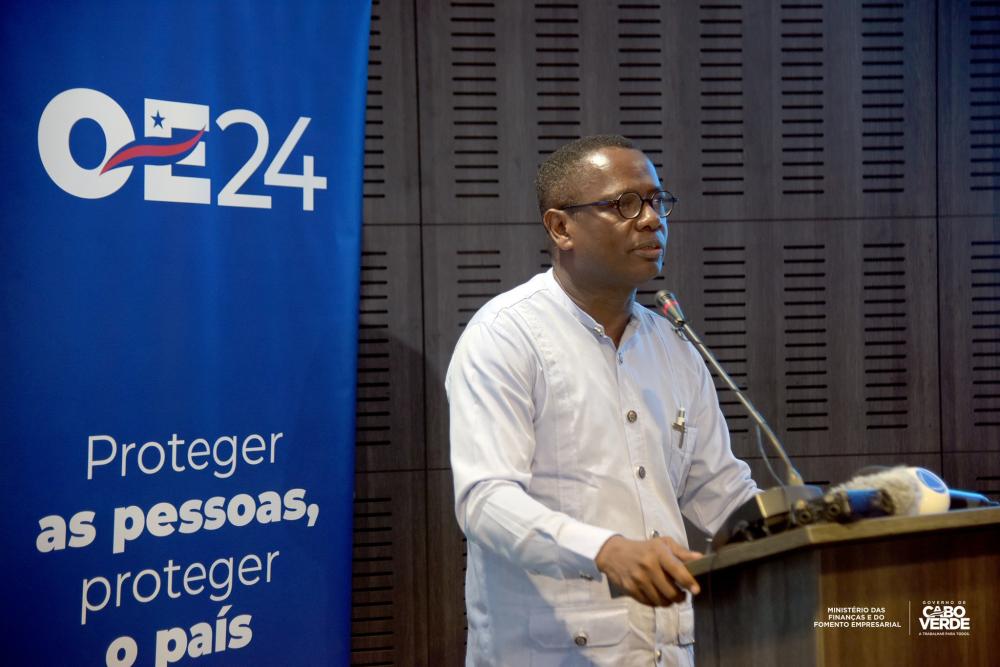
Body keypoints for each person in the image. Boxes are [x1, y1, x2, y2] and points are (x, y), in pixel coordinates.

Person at [446, 134, 759, 666]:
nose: (652, 220)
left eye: (657, 201)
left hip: (663, 649)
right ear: (560, 227)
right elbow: (486, 501)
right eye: (625, 204)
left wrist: (813, 526)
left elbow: (718, 490)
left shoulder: (674, 346)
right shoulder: (505, 335)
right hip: (550, 653)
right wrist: (606, 551)